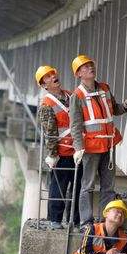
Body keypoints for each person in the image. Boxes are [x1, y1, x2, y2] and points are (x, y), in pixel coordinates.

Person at [69, 55, 127, 227]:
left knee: (108, 186)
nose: (90, 68)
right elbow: (76, 125)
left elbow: (114, 109)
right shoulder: (77, 96)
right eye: (84, 67)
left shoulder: (105, 88)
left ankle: (103, 219)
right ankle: (86, 221)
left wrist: (126, 105)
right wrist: (78, 148)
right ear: (78, 74)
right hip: (91, 148)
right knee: (87, 186)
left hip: (108, 144)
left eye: (90, 65)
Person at [35, 65, 83, 229]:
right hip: (62, 153)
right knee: (59, 186)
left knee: (79, 187)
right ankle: (55, 219)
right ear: (44, 85)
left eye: (52, 74)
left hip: (78, 150)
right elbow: (49, 132)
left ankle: (76, 220)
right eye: (47, 77)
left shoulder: (71, 95)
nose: (52, 77)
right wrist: (53, 154)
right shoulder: (46, 104)